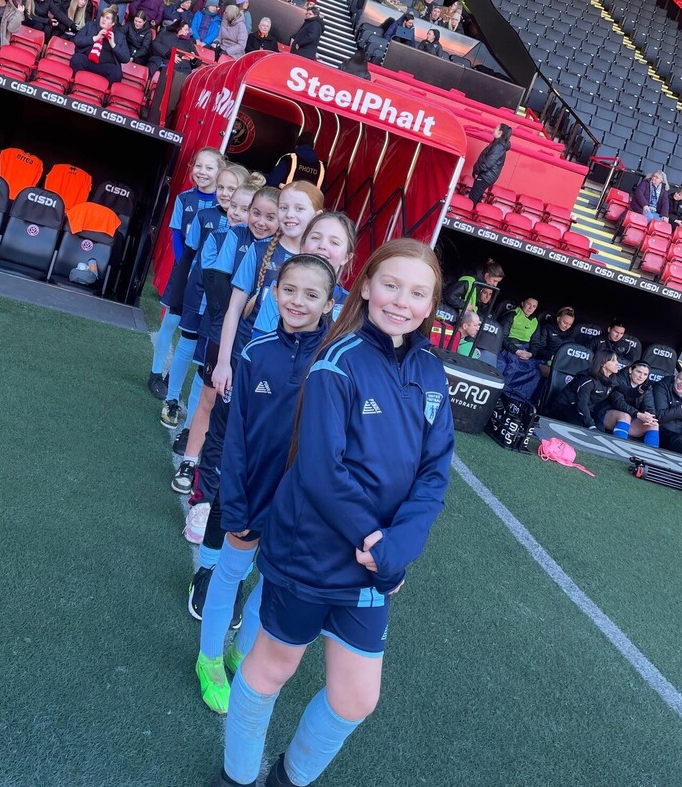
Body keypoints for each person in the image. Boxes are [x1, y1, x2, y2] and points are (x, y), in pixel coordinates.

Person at [211, 239, 453, 787]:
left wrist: (398, 550)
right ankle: (237, 776)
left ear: (431, 303)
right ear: (365, 286)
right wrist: (376, 541)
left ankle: (287, 778)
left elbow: (434, 474)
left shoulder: (432, 374)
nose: (401, 301)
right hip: (311, 551)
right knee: (274, 668)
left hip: (375, 564)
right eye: (390, 284)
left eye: (418, 292)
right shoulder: (337, 363)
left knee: (356, 698)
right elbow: (321, 470)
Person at [195, 254, 336, 714]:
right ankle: (209, 658)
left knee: (270, 580)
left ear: (329, 303)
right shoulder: (255, 354)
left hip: (296, 502)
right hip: (250, 492)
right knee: (231, 573)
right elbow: (236, 436)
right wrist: (232, 496)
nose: (298, 301)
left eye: (311, 294)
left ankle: (241, 652)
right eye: (289, 290)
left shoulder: (332, 361)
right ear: (275, 294)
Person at [174, 181, 324, 496]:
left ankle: (232, 488)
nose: (288, 215)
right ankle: (191, 461)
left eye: (298, 209)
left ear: (316, 215)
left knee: (253, 425)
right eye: (285, 207)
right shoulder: (259, 250)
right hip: (237, 347)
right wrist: (225, 360)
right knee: (211, 401)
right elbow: (232, 309)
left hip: (281, 365)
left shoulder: (319, 264)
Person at [160, 165, 249, 431]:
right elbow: (189, 257)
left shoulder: (253, 238)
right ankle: (172, 399)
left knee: (205, 361)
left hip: (222, 308)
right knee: (188, 342)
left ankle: (192, 424)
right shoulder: (204, 216)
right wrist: (177, 292)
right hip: (198, 294)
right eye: (221, 188)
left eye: (231, 190)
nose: (224, 194)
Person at [149, 147, 224, 400]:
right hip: (186, 274)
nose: (202, 172)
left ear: (220, 171)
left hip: (208, 281)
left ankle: (174, 378)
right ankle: (155, 374)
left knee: (193, 331)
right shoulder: (184, 199)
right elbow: (177, 235)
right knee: (170, 322)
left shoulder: (224, 205)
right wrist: (186, 266)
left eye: (209, 167)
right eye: (198, 166)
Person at [549, 350, 618, 429]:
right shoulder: (588, 379)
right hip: (565, 407)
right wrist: (590, 424)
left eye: (617, 360)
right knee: (579, 427)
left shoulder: (612, 380)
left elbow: (624, 390)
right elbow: (582, 404)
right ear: (603, 363)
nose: (617, 364)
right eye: (613, 360)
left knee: (600, 428)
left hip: (586, 410)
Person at [70, 4, 131, 84]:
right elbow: (77, 40)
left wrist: (113, 45)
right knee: (76, 59)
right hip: (87, 60)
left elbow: (126, 58)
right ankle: (75, 84)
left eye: (107, 18)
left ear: (113, 23)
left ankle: (104, 94)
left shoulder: (119, 36)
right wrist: (95, 38)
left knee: (116, 73)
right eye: (102, 16)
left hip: (105, 66)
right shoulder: (90, 25)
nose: (104, 19)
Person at [604, 361, 660, 445]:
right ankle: (618, 448)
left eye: (645, 374)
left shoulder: (646, 386)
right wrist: (638, 414)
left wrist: (649, 416)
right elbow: (618, 403)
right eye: (638, 372)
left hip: (631, 418)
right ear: (630, 370)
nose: (641, 377)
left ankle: (651, 456)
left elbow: (649, 406)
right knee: (625, 416)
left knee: (654, 424)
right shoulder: (619, 378)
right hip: (607, 414)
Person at [468, 123, 512, 205]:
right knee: (477, 199)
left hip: (485, 176)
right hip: (486, 176)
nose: (493, 130)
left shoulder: (499, 147)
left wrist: (477, 172)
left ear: (500, 132)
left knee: (472, 199)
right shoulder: (497, 144)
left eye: (496, 128)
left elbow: (487, 164)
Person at [529, 305, 575, 377]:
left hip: (562, 364)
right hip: (544, 361)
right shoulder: (547, 328)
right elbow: (539, 348)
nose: (567, 326)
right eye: (565, 323)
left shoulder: (570, 336)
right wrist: (551, 356)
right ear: (558, 318)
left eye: (569, 324)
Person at [648, 369, 682, 454]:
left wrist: (673, 412)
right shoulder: (662, 386)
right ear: (675, 377)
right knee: (679, 445)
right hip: (664, 429)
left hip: (681, 430)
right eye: (680, 379)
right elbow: (661, 416)